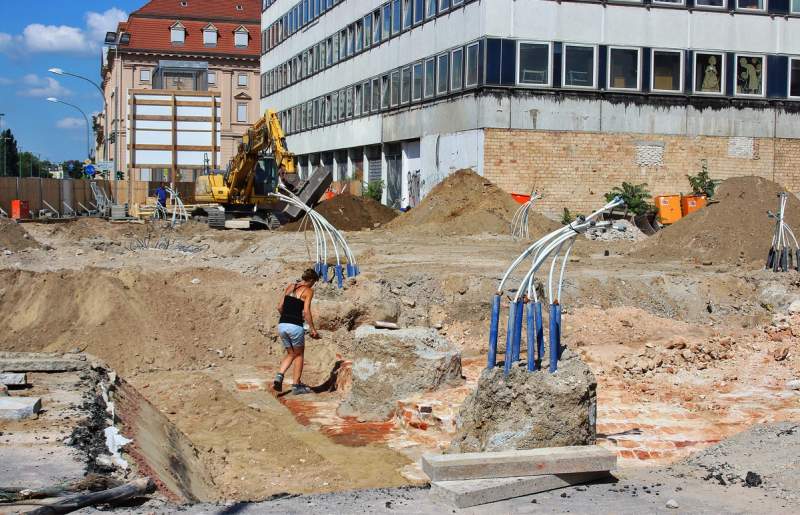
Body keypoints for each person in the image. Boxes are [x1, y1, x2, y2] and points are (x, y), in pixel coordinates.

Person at [274, 268, 320, 395]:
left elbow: (279, 307)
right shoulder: (308, 291)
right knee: (299, 355)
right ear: (310, 280)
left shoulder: (290, 286)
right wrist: (312, 329)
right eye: (314, 282)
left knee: (291, 353)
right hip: (295, 326)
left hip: (282, 324)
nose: (313, 285)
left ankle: (279, 376)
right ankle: (296, 386)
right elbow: (306, 312)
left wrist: (287, 317)